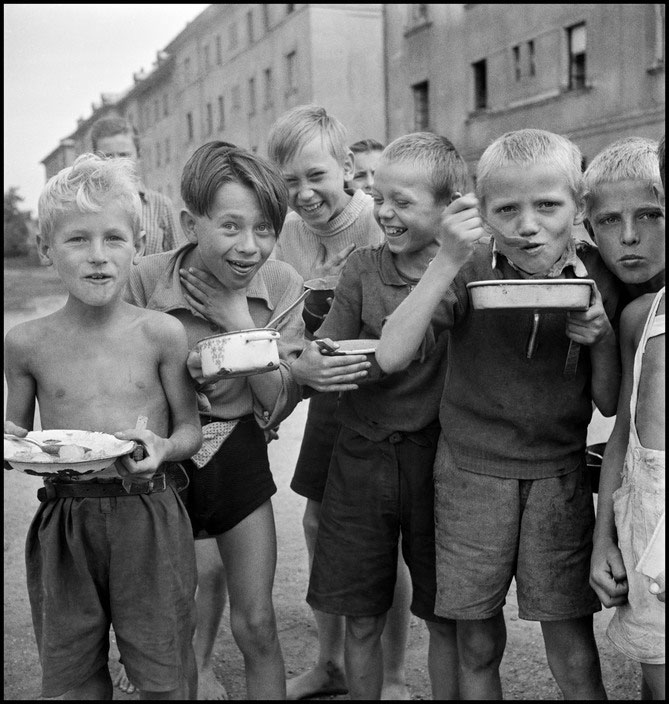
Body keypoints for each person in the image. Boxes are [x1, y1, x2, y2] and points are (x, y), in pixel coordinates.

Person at [376, 128, 622, 699]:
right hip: (469, 474)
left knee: (570, 641)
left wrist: (601, 337)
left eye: (547, 206)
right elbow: (391, 354)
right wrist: (447, 259)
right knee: (477, 644)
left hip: (556, 477)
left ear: (578, 207)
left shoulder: (594, 274)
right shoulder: (468, 266)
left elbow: (608, 401)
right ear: (481, 212)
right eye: (506, 209)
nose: (527, 225)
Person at [3, 153, 203, 700]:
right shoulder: (25, 344)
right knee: (73, 679)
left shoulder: (161, 334)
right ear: (46, 250)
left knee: (164, 675)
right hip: (65, 521)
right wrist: (10, 443)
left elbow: (190, 430)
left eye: (114, 238)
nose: (98, 256)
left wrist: (164, 447)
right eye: (77, 240)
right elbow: (16, 434)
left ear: (137, 245)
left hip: (150, 513)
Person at [124, 141, 305, 700]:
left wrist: (234, 321)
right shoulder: (146, 282)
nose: (249, 246)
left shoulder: (279, 285)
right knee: (172, 628)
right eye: (230, 227)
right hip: (162, 469)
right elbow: (121, 382)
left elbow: (281, 401)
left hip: (239, 456)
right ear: (189, 222)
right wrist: (182, 374)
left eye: (265, 230)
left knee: (257, 624)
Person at [290, 131, 467, 699]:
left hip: (437, 460)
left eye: (403, 203)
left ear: (449, 208)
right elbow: (321, 348)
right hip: (361, 456)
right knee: (361, 616)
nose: (383, 212)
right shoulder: (363, 268)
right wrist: (308, 367)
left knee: (445, 618)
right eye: (379, 196)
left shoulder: (470, 271)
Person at [265, 104, 407, 700]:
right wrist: (276, 403)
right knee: (318, 521)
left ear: (347, 166)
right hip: (327, 402)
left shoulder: (380, 225)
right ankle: (330, 663)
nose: (302, 193)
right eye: (289, 181)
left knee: (383, 539)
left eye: (315, 176)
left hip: (385, 403)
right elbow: (284, 336)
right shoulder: (289, 235)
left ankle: (393, 676)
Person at [586, 135, 665, 699]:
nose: (630, 236)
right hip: (639, 518)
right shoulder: (635, 310)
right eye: (611, 221)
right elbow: (619, 419)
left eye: (650, 215)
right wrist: (602, 539)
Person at [90, 115, 186, 255]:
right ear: (95, 159)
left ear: (139, 156)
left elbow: (176, 262)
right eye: (108, 156)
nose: (117, 163)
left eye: (124, 155)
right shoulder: (87, 205)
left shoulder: (161, 205)